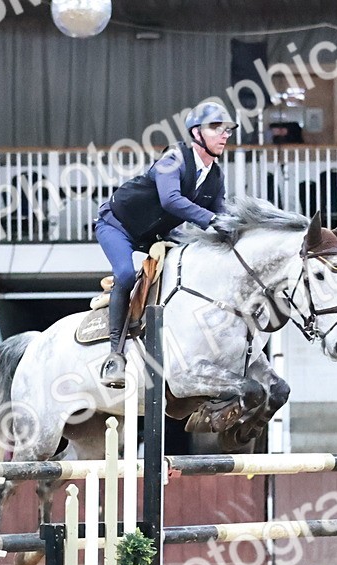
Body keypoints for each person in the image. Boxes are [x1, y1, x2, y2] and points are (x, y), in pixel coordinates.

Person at [94, 101, 238, 388]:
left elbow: (221, 214)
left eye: (227, 130)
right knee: (124, 274)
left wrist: (237, 232)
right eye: (215, 128)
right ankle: (115, 355)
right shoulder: (173, 158)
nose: (224, 135)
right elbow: (170, 200)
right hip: (116, 225)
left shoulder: (216, 176)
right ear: (196, 133)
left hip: (153, 236)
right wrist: (211, 220)